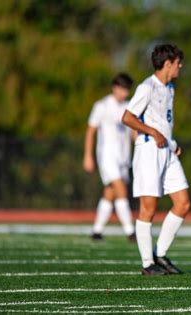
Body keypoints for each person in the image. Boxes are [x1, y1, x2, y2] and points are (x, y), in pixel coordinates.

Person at [122, 44, 190, 276]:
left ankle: (159, 254)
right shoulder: (147, 87)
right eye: (178, 62)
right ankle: (146, 263)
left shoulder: (169, 87)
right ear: (168, 63)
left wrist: (173, 144)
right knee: (148, 208)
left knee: (183, 203)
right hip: (149, 151)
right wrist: (152, 132)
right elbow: (128, 117)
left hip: (167, 151)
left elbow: (164, 122)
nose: (180, 66)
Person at [83, 73, 136, 242]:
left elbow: (134, 133)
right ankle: (131, 232)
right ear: (114, 88)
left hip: (123, 157)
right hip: (107, 156)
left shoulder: (129, 107)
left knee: (110, 193)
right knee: (121, 190)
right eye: (122, 89)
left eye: (127, 90)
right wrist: (88, 156)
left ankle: (96, 231)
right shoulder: (102, 106)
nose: (124, 93)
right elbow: (91, 130)